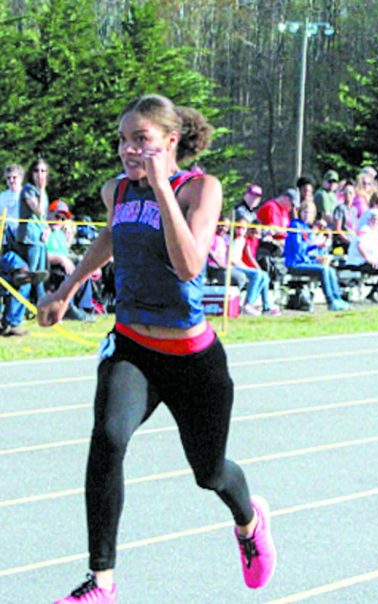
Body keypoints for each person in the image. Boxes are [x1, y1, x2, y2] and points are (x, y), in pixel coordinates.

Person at [37, 94, 277, 603]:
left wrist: (163, 187)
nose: (128, 149)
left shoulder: (200, 189)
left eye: (140, 139)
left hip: (193, 360)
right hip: (133, 348)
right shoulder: (117, 190)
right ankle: (101, 583)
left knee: (210, 473)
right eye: (123, 140)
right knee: (108, 438)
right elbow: (111, 236)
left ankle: (250, 521)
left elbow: (190, 265)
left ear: (170, 142)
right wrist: (67, 290)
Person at [284, 202, 350, 311]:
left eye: (309, 213)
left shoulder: (307, 228)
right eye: (305, 212)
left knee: (330, 270)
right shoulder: (295, 225)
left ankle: (338, 298)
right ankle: (330, 301)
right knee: (323, 270)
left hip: (307, 262)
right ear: (300, 212)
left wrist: (320, 248)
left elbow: (311, 249)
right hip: (295, 263)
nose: (307, 215)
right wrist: (315, 244)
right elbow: (299, 248)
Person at [17, 157, 51, 303]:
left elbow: (44, 219)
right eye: (36, 171)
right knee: (28, 277)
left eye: (43, 171)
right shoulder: (28, 190)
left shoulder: (43, 193)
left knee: (40, 277)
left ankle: (42, 307)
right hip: (29, 238)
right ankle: (14, 315)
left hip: (40, 239)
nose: (40, 174)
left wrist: (47, 229)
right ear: (32, 173)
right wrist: (42, 189)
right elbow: (39, 211)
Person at [231, 220, 281, 316]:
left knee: (265, 277)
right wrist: (258, 268)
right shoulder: (245, 240)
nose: (255, 234)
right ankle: (248, 304)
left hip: (244, 267)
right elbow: (249, 257)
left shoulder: (255, 240)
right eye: (253, 231)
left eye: (257, 232)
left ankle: (266, 306)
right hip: (241, 266)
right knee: (259, 274)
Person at [0, 163, 24, 248]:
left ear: (21, 178)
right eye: (8, 178)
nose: (11, 180)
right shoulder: (2, 196)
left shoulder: (27, 194)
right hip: (6, 240)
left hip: (24, 238)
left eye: (14, 177)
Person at [331, 180, 358, 253]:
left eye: (350, 193)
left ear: (354, 195)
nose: (348, 195)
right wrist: (348, 241)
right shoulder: (340, 208)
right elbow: (337, 229)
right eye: (346, 193)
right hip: (342, 242)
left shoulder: (354, 210)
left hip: (352, 239)